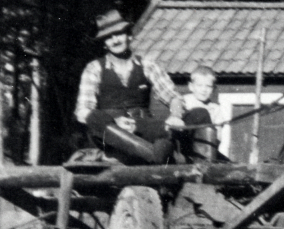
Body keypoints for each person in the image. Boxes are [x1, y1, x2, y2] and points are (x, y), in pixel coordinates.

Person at [75, 9, 185, 164]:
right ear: (104, 44)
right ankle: (153, 156)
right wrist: (115, 123)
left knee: (169, 131)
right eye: (108, 37)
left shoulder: (147, 64)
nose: (115, 40)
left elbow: (173, 96)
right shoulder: (94, 68)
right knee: (93, 117)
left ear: (129, 35)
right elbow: (83, 111)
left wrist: (176, 115)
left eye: (118, 34)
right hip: (110, 135)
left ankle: (150, 154)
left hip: (142, 128)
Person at [182, 65, 224, 161]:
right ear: (191, 86)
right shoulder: (185, 101)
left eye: (208, 86)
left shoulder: (215, 108)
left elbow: (218, 133)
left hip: (206, 148)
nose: (204, 90)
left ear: (213, 89)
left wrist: (215, 143)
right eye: (199, 85)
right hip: (186, 145)